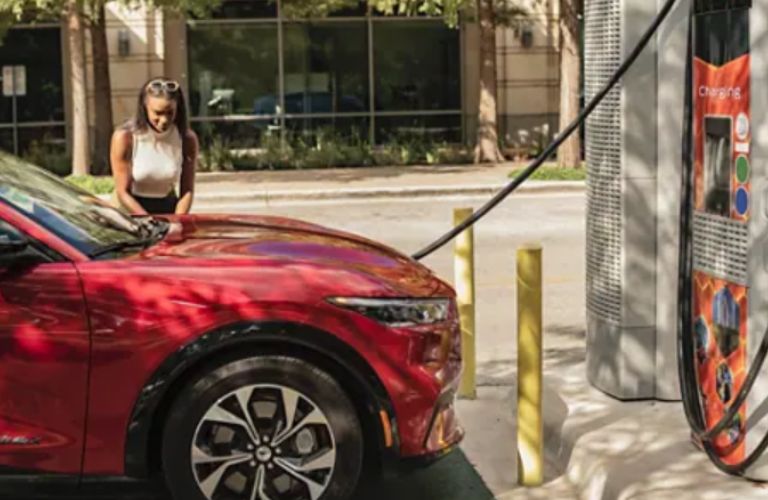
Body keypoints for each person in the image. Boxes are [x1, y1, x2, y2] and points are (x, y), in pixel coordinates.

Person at [110, 77, 199, 215]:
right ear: (144, 108)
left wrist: (178, 220)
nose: (164, 120)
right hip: (130, 210)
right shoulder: (125, 137)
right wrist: (148, 221)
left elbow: (187, 190)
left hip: (167, 208)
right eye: (158, 113)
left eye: (170, 113)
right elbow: (122, 192)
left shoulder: (186, 139)